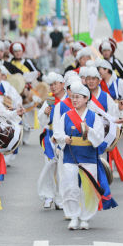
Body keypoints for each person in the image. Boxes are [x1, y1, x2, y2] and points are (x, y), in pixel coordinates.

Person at [55, 82, 116, 230]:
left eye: (78, 97)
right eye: (73, 97)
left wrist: (89, 131)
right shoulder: (66, 116)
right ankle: (73, 215)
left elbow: (100, 138)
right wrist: (64, 139)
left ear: (86, 99)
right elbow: (57, 132)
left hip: (88, 156)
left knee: (88, 189)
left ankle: (85, 217)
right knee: (69, 185)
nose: (74, 100)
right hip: (71, 155)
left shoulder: (94, 117)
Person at [37, 72, 70, 210]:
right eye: (51, 84)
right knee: (50, 166)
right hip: (50, 136)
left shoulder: (70, 99)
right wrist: (45, 113)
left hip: (66, 138)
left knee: (63, 169)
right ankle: (48, 195)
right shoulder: (49, 100)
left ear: (62, 84)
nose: (53, 87)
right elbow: (41, 120)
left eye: (55, 84)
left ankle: (61, 198)